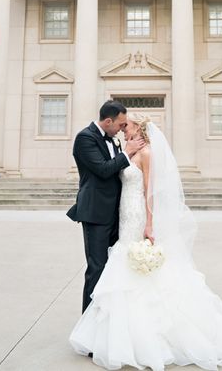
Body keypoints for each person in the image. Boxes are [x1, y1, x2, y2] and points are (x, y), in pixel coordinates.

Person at [69, 114, 222, 371]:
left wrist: (149, 224)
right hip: (123, 215)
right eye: (120, 125)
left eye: (126, 126)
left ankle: (149, 335)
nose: (121, 129)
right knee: (121, 266)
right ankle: (114, 331)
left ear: (138, 130)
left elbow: (149, 191)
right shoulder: (125, 149)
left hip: (138, 215)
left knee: (137, 269)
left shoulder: (147, 153)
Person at [67, 100, 146, 312]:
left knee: (113, 269)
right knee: (97, 268)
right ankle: (89, 325)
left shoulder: (114, 141)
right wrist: (126, 153)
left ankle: (108, 319)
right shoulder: (85, 138)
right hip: (96, 213)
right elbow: (102, 170)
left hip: (118, 215)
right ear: (108, 121)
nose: (122, 129)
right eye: (120, 125)